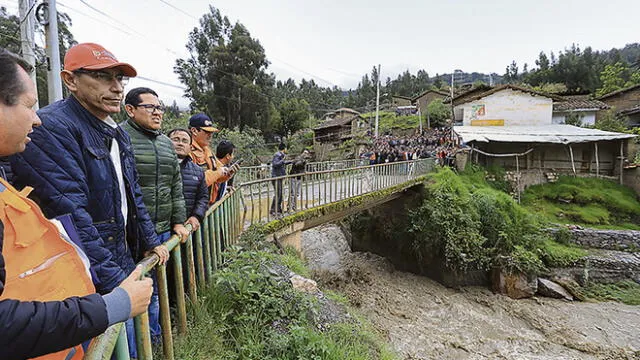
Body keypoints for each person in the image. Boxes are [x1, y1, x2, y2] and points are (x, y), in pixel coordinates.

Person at [9, 43, 169, 356]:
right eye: (102, 77)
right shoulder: (52, 128)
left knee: (133, 343)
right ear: (70, 80)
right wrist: (116, 282)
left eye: (120, 79)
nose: (116, 87)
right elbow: (70, 213)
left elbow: (131, 192)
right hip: (87, 274)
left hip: (119, 259)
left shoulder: (115, 131)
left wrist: (150, 241)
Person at [121, 87, 189, 344]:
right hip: (134, 233)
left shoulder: (164, 143)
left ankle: (156, 340)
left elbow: (175, 186)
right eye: (151, 107)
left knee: (157, 288)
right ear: (130, 110)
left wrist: (178, 221)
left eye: (160, 107)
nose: (158, 112)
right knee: (134, 289)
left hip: (162, 229)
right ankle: (140, 346)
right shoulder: (120, 138)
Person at [168, 128, 208, 232]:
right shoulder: (158, 167)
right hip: (164, 229)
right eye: (176, 139)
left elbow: (203, 198)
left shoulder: (198, 171)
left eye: (184, 141)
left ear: (190, 147)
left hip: (188, 227)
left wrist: (196, 216)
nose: (180, 143)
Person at [188, 113, 228, 204]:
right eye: (207, 132)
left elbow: (219, 176)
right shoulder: (187, 151)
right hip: (194, 206)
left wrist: (228, 173)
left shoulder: (207, 150)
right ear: (194, 131)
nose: (210, 135)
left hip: (208, 205)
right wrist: (218, 172)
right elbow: (196, 182)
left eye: (211, 132)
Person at [270, 143, 291, 216]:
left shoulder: (280, 155)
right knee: (278, 194)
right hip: (276, 177)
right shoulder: (277, 155)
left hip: (279, 176)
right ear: (284, 148)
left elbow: (282, 163)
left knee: (280, 194)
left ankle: (277, 209)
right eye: (286, 148)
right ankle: (274, 210)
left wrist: (291, 161)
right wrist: (283, 160)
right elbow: (275, 164)